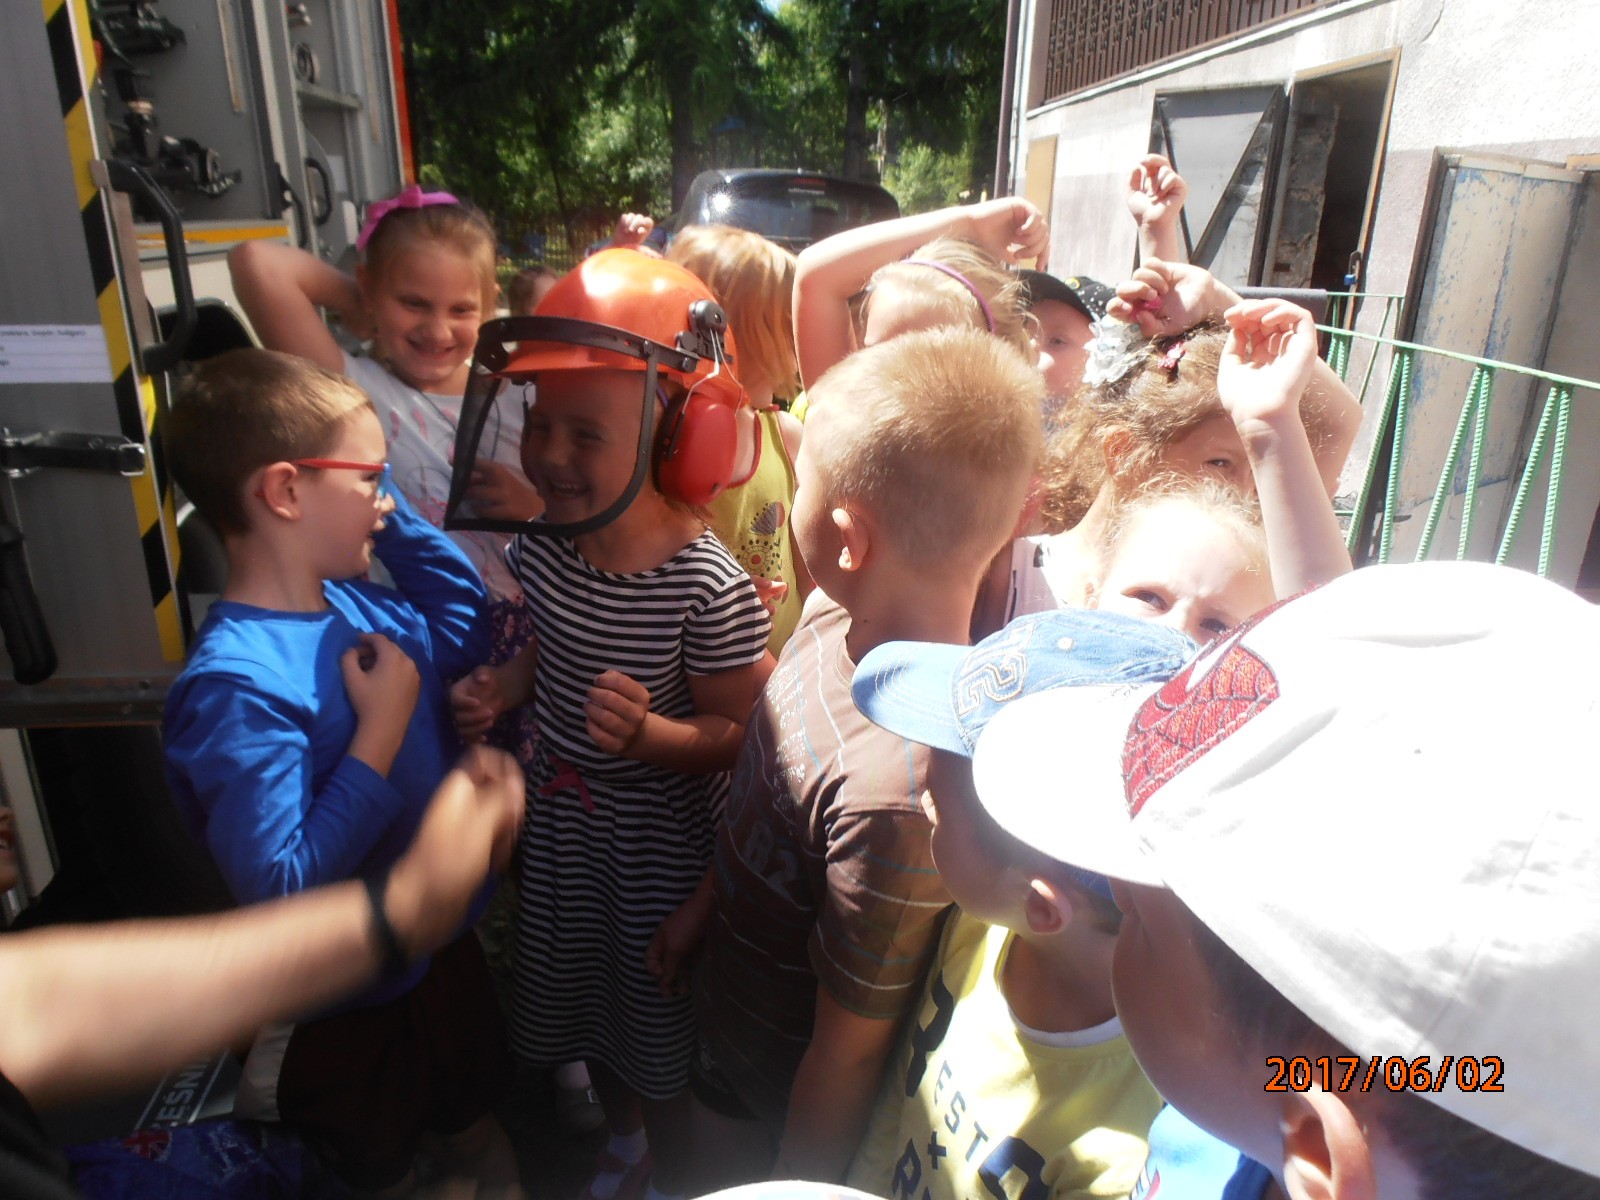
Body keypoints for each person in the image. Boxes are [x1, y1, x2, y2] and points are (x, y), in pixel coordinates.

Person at [968, 559, 1600, 1200]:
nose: (1118, 889)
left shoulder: (1231, 1113)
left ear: (1318, 1153)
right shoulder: (1240, 1110)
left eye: (1141, 916)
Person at [684, 325, 1046, 1190]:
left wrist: (796, 1179)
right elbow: (766, 785)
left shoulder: (908, 794)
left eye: (801, 482)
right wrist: (701, 907)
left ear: (848, 539)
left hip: (780, 1097)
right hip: (724, 1003)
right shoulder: (828, 615)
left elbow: (850, 1052)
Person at [448, 251, 772, 1200]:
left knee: (656, 1028)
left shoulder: (705, 587)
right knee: (590, 1008)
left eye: (585, 434)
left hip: (656, 853)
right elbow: (550, 649)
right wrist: (506, 687)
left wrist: (652, 740)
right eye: (539, 424)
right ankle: (624, 1138)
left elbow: (743, 736)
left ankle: (670, 1169)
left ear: (683, 438)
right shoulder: (549, 550)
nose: (549, 455)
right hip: (568, 836)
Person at [160, 348, 519, 1197]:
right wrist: (381, 736)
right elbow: (280, 889)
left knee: (476, 1132)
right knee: (375, 1172)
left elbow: (464, 619)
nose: (386, 500)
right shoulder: (238, 685)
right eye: (370, 479)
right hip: (341, 1009)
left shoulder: (359, 604)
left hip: (436, 960)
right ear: (285, 492)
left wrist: (386, 521)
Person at [0, 746, 525, 1200]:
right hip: (340, 1031)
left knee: (461, 1127)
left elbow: (35, 1004)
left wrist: (404, 911)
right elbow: (280, 884)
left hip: (406, 986)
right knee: (377, 1158)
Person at [844, 608, 1196, 1199]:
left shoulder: (1127, 1161)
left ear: (1042, 907)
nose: (924, 806)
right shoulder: (984, 925)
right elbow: (904, 1100)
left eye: (941, 809)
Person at [228, 185, 543, 747]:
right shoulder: (353, 392)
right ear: (372, 290)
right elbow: (256, 264)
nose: (437, 330)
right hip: (408, 638)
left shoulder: (519, 393)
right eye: (414, 303)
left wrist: (535, 509)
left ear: (489, 304)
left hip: (527, 644)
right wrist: (359, 301)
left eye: (461, 309)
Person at [1003, 288, 1356, 631]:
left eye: (1214, 626)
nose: (1244, 496)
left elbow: (1345, 422)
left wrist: (1220, 301)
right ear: (1125, 453)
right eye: (1220, 463)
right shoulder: (1005, 571)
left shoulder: (1233, 592)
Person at [668, 223, 810, 653]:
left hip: (784, 656)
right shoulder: (662, 442)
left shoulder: (785, 437)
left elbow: (808, 567)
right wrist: (721, 592)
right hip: (698, 665)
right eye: (787, 328)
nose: (796, 347)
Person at [792, 197, 1049, 397]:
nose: (896, 382)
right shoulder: (845, 416)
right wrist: (968, 223)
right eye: (877, 355)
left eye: (928, 365)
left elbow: (817, 277)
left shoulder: (999, 448)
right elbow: (815, 275)